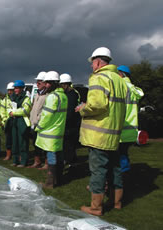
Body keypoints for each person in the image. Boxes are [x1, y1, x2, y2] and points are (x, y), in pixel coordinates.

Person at [76, 47, 127, 215]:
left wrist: (83, 108)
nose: (91, 66)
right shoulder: (119, 79)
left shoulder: (99, 78)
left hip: (98, 134)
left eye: (92, 63)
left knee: (98, 170)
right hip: (113, 134)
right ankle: (116, 202)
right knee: (115, 168)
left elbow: (97, 105)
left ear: (97, 62)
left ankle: (96, 207)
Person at [35, 71, 68, 189]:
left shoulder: (52, 97)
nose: (46, 85)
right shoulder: (63, 96)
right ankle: (58, 180)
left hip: (50, 133)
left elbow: (46, 116)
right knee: (58, 155)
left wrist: (38, 127)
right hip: (58, 131)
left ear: (54, 83)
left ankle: (50, 183)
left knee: (52, 157)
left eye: (48, 83)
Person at [117, 65, 144, 196]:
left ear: (121, 74)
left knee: (115, 160)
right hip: (131, 131)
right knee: (123, 156)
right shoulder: (134, 89)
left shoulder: (120, 87)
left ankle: (117, 186)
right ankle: (127, 182)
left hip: (120, 129)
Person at [27, 71, 48, 169]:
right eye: (37, 81)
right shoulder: (37, 95)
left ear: (45, 83)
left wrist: (39, 120)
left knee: (44, 145)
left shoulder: (47, 95)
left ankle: (46, 163)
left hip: (42, 124)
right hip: (34, 124)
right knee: (35, 144)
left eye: (40, 82)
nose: (37, 83)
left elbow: (45, 111)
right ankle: (37, 161)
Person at [59, 73, 81, 166]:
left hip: (71, 124)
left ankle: (71, 162)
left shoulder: (72, 94)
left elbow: (70, 110)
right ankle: (71, 160)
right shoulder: (72, 93)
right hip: (71, 123)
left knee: (69, 145)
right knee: (68, 145)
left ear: (65, 84)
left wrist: (64, 121)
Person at [9, 80, 32, 167]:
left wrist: (14, 112)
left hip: (22, 122)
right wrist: (10, 112)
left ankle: (23, 161)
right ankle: (15, 160)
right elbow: (9, 107)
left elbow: (25, 110)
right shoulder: (12, 97)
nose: (15, 89)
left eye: (17, 88)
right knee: (15, 142)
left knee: (23, 142)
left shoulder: (26, 98)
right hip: (14, 121)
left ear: (22, 88)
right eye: (14, 88)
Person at [1, 82, 14, 161]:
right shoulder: (5, 100)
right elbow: (2, 111)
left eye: (11, 90)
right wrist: (4, 119)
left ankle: (17, 155)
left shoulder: (16, 98)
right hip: (8, 122)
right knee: (8, 140)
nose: (9, 92)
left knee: (16, 140)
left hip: (16, 121)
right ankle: (8, 155)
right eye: (8, 90)